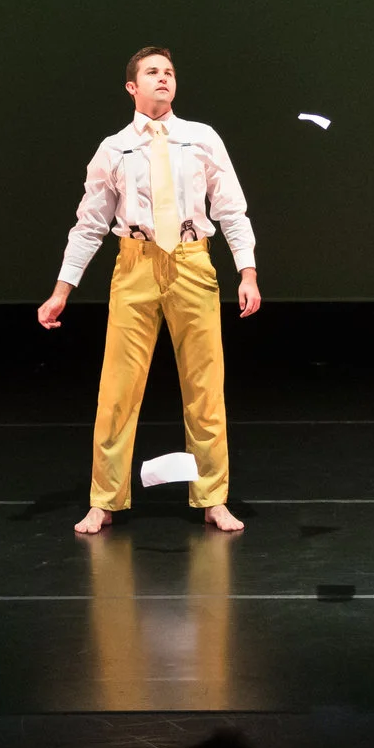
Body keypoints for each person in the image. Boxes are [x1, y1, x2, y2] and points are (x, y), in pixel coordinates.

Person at [37, 47, 259, 535]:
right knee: (117, 390)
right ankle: (104, 499)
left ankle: (213, 497)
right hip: (135, 264)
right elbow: (89, 224)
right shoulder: (114, 148)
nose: (164, 78)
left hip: (191, 261)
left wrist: (247, 271)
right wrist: (61, 290)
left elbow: (230, 207)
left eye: (169, 72)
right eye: (153, 72)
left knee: (205, 388)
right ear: (132, 87)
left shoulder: (201, 138)